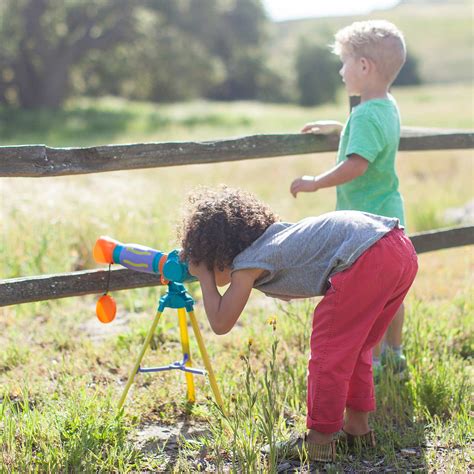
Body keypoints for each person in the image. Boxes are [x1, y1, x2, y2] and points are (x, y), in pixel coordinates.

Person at [180, 187, 418, 462]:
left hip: (368, 255)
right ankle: (358, 430)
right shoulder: (275, 238)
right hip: (398, 246)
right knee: (356, 347)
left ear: (215, 253)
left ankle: (319, 442)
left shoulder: (246, 264)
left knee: (329, 352)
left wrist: (204, 278)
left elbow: (221, 322)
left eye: (203, 259)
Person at [290, 20, 408, 378]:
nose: (341, 71)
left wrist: (315, 182)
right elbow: (368, 138)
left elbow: (356, 163)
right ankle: (395, 355)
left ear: (363, 67)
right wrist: (341, 129)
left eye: (344, 62)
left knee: (364, 295)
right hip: (390, 216)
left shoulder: (367, 114)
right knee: (391, 294)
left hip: (365, 226)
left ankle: (366, 360)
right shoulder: (385, 106)